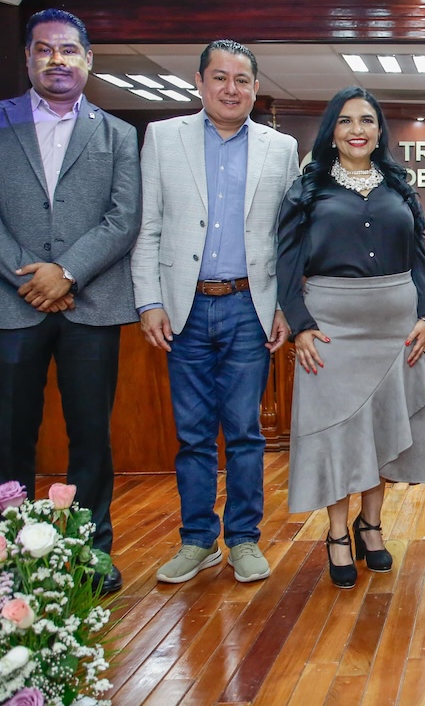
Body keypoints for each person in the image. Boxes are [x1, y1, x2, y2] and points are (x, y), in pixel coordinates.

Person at [0, 9, 139, 594]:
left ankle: (89, 551)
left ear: (88, 59)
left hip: (91, 304)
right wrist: (30, 280)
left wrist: (67, 274)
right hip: (9, 305)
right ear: (28, 58)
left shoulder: (118, 133)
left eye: (68, 50)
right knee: (11, 435)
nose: (56, 60)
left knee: (91, 435)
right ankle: (10, 555)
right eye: (44, 50)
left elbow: (123, 218)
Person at [132, 40, 299, 585]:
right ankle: (198, 540)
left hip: (251, 309)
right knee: (194, 434)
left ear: (255, 87)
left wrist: (286, 309)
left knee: (247, 433)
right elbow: (148, 227)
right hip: (185, 310)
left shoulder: (281, 148)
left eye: (242, 80)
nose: (231, 89)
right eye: (220, 78)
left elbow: (289, 238)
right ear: (200, 83)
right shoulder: (163, 138)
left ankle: (245, 539)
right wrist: (150, 300)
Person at [276, 87, 425, 589]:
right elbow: (284, 263)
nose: (357, 129)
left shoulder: (400, 187)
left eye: (367, 121)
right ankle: (337, 535)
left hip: (395, 330)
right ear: (331, 130)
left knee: (381, 432)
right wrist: (299, 324)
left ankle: (371, 528)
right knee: (337, 435)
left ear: (379, 131)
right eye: (345, 121)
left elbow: (420, 260)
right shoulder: (308, 190)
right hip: (331, 332)